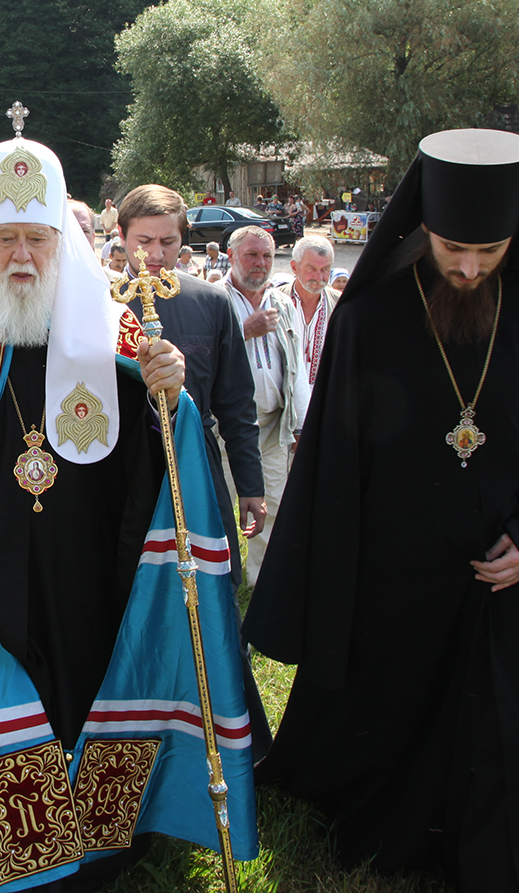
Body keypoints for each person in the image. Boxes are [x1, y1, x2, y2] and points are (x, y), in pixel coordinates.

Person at [0, 133, 256, 890]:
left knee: (85, 680)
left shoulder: (115, 325)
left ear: (60, 243)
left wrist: (169, 392)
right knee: (8, 691)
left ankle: (104, 829)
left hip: (88, 558)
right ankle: (23, 845)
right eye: (3, 238)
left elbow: (163, 452)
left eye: (35, 239)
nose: (20, 255)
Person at [243, 129, 519, 892]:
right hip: (393, 573)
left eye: (489, 253)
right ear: (421, 230)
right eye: (450, 251)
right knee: (385, 747)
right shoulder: (371, 315)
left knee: (515, 750)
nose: (468, 269)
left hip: (502, 577)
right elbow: (334, 464)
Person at [117, 185, 272, 760]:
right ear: (122, 237)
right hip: (122, 471)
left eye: (167, 241)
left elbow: (236, 403)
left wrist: (250, 487)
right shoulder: (99, 304)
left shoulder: (209, 302)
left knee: (212, 592)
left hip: (197, 467)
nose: (154, 254)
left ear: (184, 240)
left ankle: (237, 734)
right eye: (143, 242)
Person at [223, 226, 301, 586]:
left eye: (267, 255)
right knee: (220, 505)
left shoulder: (283, 302)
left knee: (273, 504)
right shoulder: (213, 299)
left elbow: (295, 367)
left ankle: (261, 582)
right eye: (252, 255)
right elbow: (201, 357)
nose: (261, 263)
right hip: (225, 428)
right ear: (231, 256)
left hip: (272, 425)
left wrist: (298, 424)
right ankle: (221, 578)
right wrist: (245, 329)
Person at [273, 234, 340, 432]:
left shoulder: (341, 305)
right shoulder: (274, 302)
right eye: (311, 269)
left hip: (326, 409)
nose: (319, 278)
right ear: (294, 267)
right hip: (282, 415)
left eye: (325, 269)